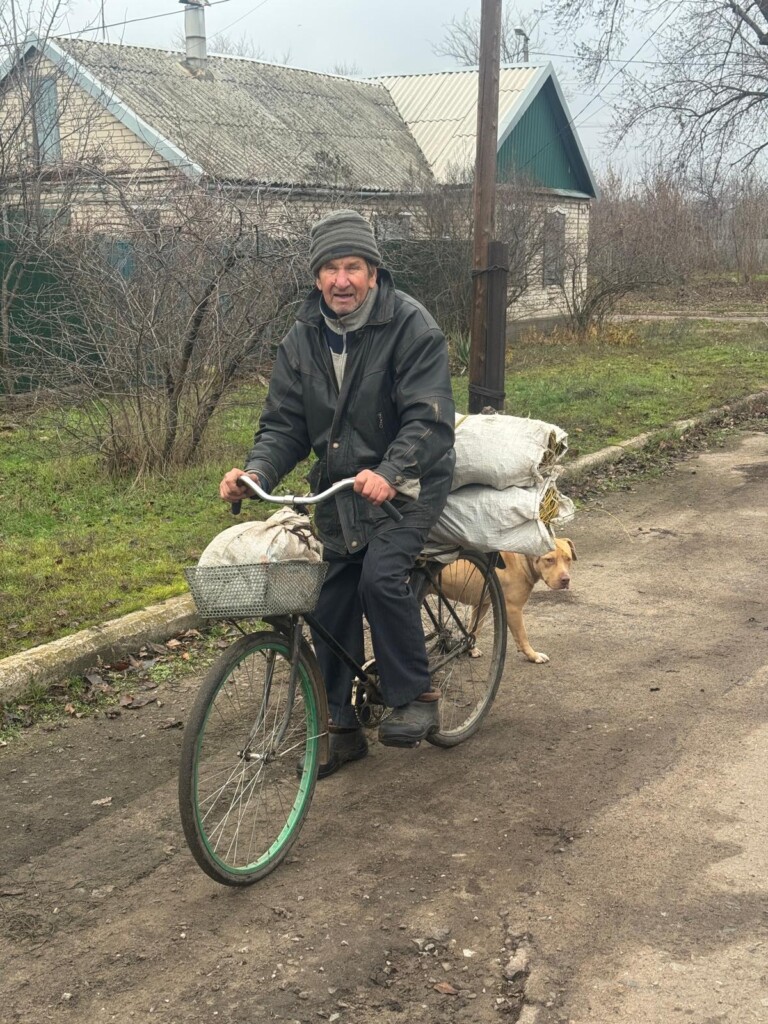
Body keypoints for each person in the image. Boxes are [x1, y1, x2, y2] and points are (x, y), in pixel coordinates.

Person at [219, 209, 455, 777]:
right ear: (317, 277)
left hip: (410, 482)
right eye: (330, 268)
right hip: (340, 489)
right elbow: (284, 425)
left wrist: (391, 470)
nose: (341, 280)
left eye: (353, 267)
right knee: (329, 597)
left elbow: (429, 418)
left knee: (380, 577)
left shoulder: (412, 327)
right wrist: (257, 473)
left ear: (373, 272)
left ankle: (416, 695)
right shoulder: (301, 338)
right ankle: (340, 727)